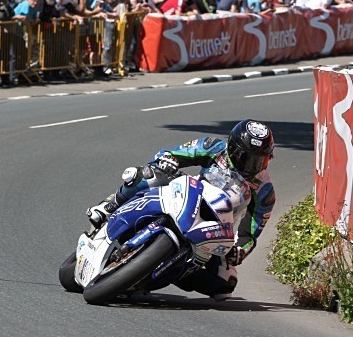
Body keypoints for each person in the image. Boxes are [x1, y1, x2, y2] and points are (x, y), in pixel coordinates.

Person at [86, 120, 276, 301]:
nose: (254, 165)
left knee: (225, 285)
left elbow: (250, 234)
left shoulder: (265, 190)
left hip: (214, 228)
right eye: (248, 158)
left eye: (262, 160)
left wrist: (239, 251)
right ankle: (109, 205)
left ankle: (169, 273)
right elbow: (172, 154)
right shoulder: (213, 148)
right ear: (233, 148)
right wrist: (168, 160)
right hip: (187, 196)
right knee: (149, 174)